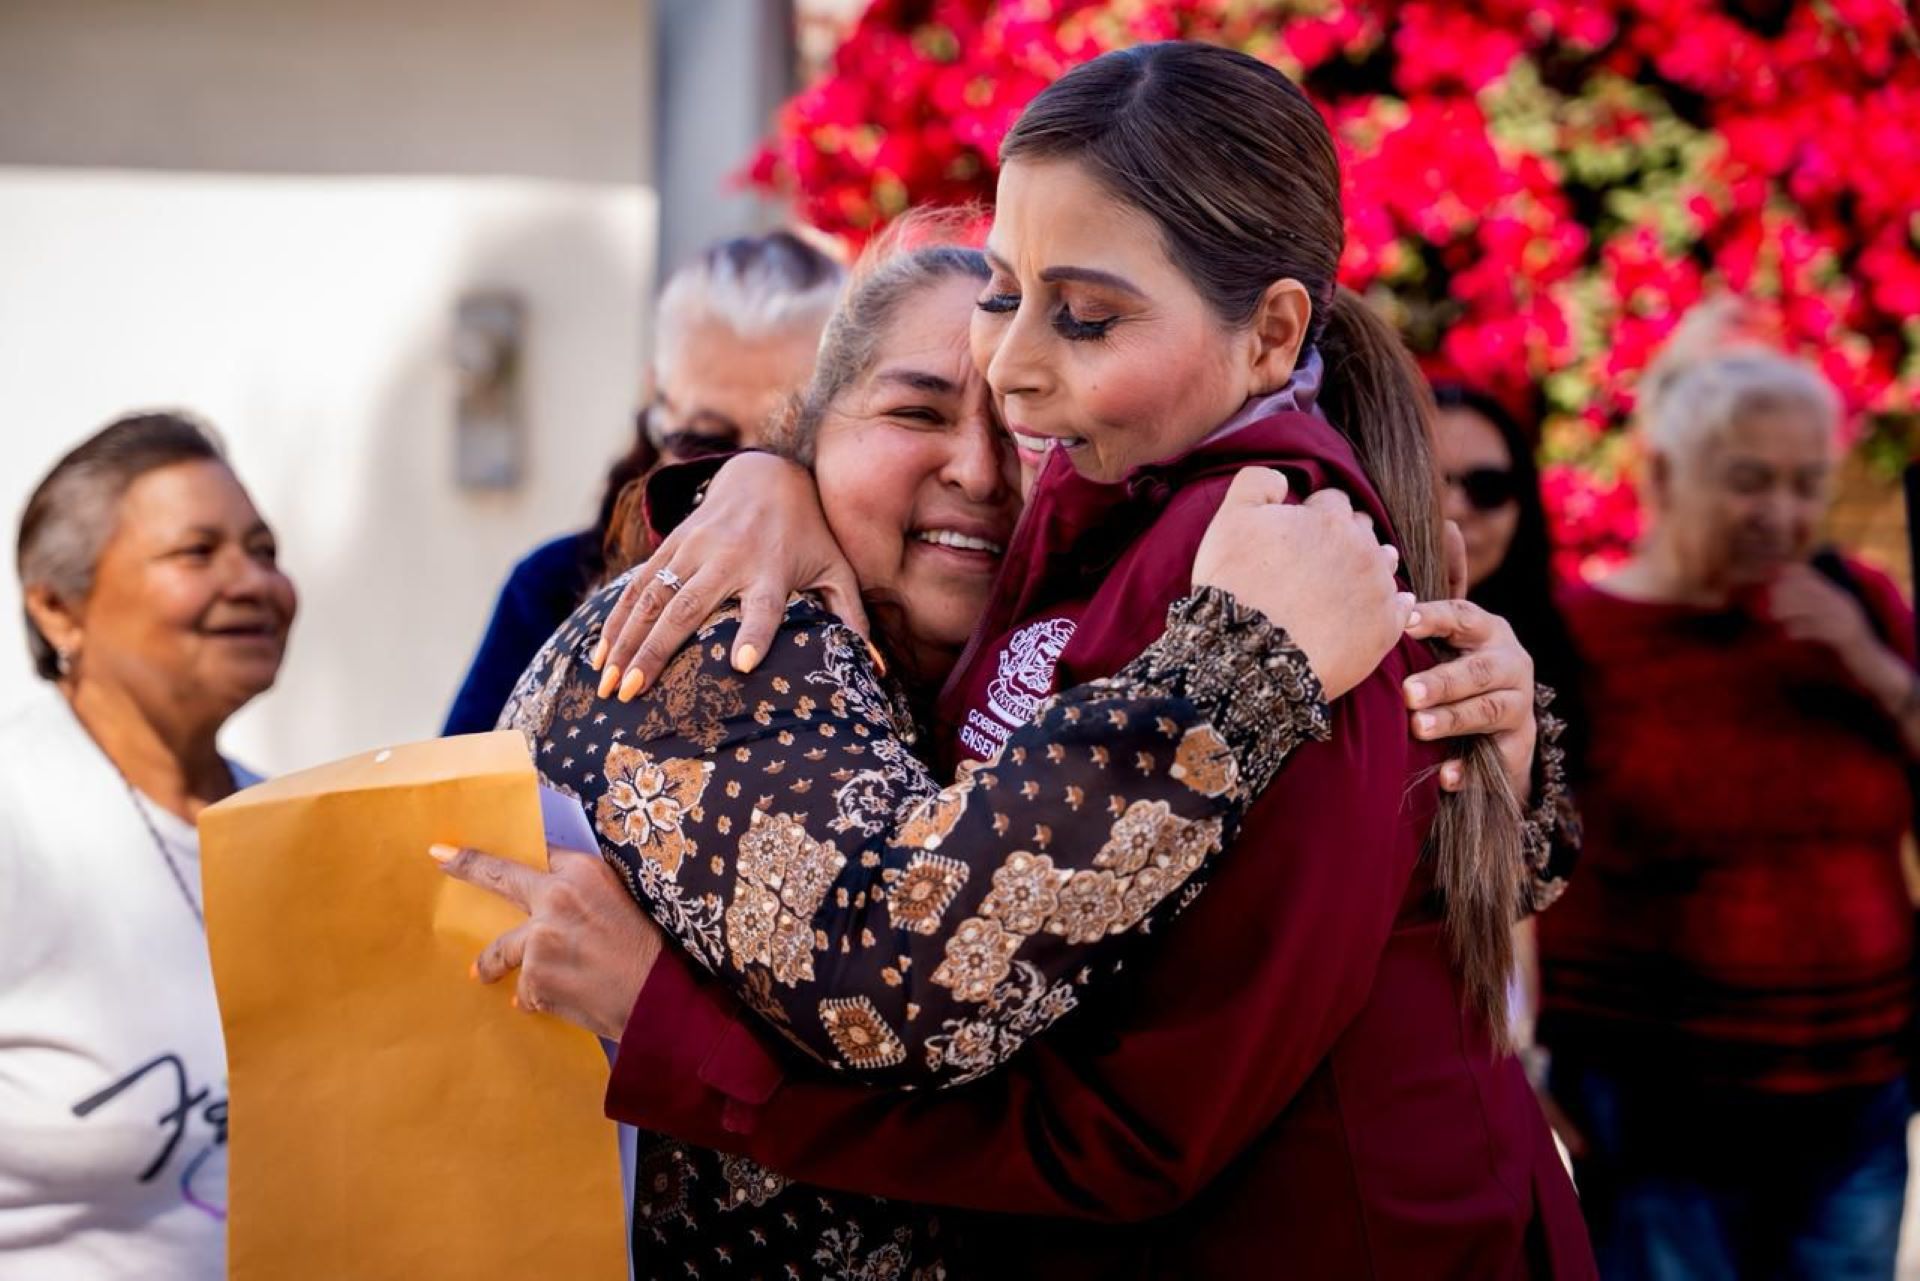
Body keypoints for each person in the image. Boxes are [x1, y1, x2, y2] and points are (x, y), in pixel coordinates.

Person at [458, 44, 1590, 1278]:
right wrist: (766, 479)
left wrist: (667, 1026)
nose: (1013, 382)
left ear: (1271, 334)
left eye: (1088, 318)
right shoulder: (985, 563)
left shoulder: (1273, 581)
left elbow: (1111, 1110)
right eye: (1005, 295)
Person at [1538, 336, 1920, 1279]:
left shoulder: (1854, 602)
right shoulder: (1581, 636)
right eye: (1750, 480)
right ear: (1665, 475)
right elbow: (1513, 870)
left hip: (1859, 1094)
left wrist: (1875, 670)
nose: (1783, 514)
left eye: (1805, 483)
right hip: (1659, 1109)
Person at [0, 412, 297, 1279]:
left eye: (264, 547)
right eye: (196, 552)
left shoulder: (291, 826)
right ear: (58, 607)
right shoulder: (18, 817)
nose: (253, 582)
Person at [441, 231, 845, 735]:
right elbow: (451, 799)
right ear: (656, 405)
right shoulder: (552, 586)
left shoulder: (881, 589)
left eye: (783, 451)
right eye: (705, 441)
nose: (739, 485)